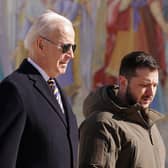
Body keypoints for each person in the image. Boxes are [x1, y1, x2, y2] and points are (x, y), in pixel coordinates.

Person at [0, 10, 78, 168]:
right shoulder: (15, 89)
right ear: (41, 45)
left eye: (73, 48)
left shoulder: (57, 90)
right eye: (65, 47)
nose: (71, 55)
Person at [79, 51, 166, 168]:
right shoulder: (102, 124)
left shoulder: (150, 125)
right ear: (123, 82)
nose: (151, 93)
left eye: (155, 85)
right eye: (145, 85)